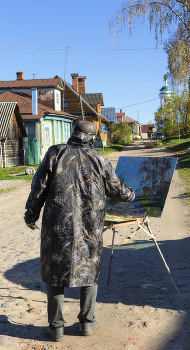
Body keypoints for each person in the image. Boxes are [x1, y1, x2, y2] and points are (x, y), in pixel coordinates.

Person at [24, 120, 135, 342]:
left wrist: (31, 214)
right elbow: (116, 189)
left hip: (57, 228)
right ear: (93, 138)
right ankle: (86, 323)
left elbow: (38, 187)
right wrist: (131, 195)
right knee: (89, 271)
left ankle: (56, 328)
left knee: (55, 274)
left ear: (73, 133)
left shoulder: (55, 153)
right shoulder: (98, 159)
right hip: (89, 228)